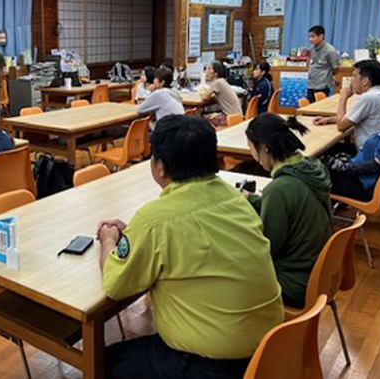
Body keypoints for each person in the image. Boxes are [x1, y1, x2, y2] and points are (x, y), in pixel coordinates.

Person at [97, 115, 283, 379]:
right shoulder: (235, 198)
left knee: (105, 362)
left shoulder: (156, 219)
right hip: (271, 346)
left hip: (215, 365)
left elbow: (114, 284)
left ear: (159, 166)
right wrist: (135, 234)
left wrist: (108, 240)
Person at [244, 114, 333, 308]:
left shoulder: (279, 189)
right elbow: (293, 205)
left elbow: (268, 247)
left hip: (294, 282)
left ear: (264, 148)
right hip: (319, 272)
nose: (252, 154)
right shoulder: (310, 167)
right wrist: (252, 200)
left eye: (251, 148)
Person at [314, 59, 380, 150]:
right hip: (377, 148)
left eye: (354, 76)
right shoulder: (379, 93)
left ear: (365, 81)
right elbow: (354, 119)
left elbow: (341, 126)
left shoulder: (368, 98)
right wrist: (329, 119)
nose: (351, 79)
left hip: (367, 155)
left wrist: (343, 97)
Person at [201, 61, 243, 127]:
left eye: (209, 69)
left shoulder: (217, 82)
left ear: (216, 73)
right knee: (211, 115)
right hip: (236, 116)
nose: (207, 71)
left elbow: (204, 98)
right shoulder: (222, 81)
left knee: (204, 120)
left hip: (230, 118)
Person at [306, 25, 340, 103]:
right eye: (309, 37)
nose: (310, 39)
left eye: (313, 36)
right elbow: (310, 64)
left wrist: (329, 76)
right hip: (311, 84)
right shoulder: (311, 49)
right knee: (309, 109)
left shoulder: (330, 50)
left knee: (319, 109)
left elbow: (336, 68)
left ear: (321, 36)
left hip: (322, 86)